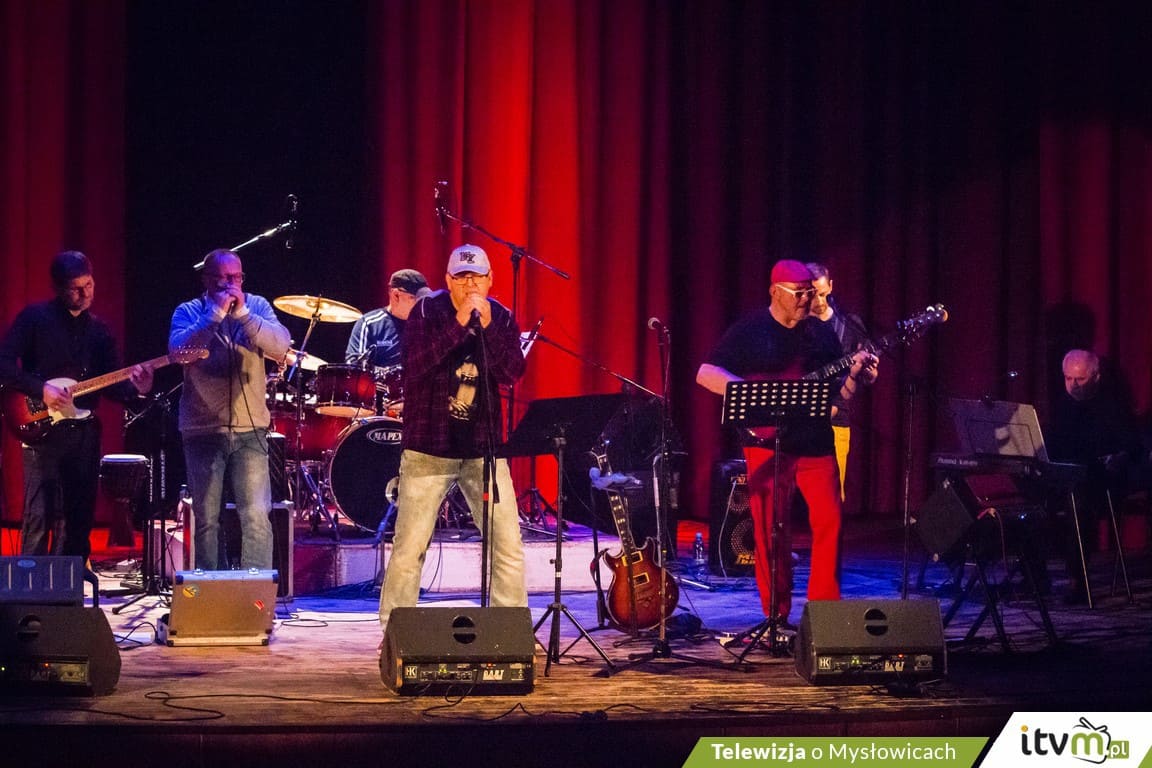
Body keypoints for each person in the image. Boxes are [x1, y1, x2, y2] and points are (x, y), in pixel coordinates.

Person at [696, 259, 873, 626]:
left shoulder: (821, 333)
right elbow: (706, 373)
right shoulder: (750, 330)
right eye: (800, 294)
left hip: (815, 441)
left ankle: (825, 614)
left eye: (811, 293)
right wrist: (751, 394)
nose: (808, 300)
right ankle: (775, 616)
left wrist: (856, 376)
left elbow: (839, 396)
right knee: (769, 530)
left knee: (830, 523)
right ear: (775, 292)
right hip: (766, 443)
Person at [378, 244, 527, 639]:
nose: (470, 285)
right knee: (410, 547)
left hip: (483, 450)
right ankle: (394, 634)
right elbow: (416, 366)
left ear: (490, 280)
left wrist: (489, 328)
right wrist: (460, 323)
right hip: (429, 448)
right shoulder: (426, 312)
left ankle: (509, 633)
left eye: (477, 277)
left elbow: (512, 372)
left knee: (507, 544)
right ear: (448, 281)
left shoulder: (502, 317)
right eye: (462, 278)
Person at [0, 251, 153, 558]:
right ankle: (31, 584)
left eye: (89, 285)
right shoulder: (34, 319)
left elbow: (113, 385)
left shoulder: (99, 330)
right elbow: (4, 363)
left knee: (78, 517)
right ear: (58, 288)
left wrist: (138, 388)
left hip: (83, 433)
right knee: (39, 515)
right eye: (76, 288)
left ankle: (71, 582)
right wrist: (41, 389)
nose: (85, 294)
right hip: (40, 430)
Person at [168, 249, 290, 570]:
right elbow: (178, 352)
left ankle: (255, 592)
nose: (229, 285)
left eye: (235, 278)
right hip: (202, 430)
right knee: (207, 520)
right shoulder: (189, 311)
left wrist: (245, 315)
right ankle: (211, 591)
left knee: (256, 516)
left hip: (251, 431)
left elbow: (281, 345)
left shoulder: (257, 306)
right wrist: (214, 316)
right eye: (221, 278)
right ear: (206, 280)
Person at [1046, 348, 1142, 602]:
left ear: (1096, 377)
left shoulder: (1113, 407)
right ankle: (1034, 575)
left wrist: (1118, 457)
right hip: (1066, 476)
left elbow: (1133, 448)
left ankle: (1078, 581)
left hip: (1102, 482)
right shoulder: (1062, 406)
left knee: (1078, 501)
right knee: (1032, 493)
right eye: (1068, 378)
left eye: (1080, 379)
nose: (1073, 385)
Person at [805, 262, 879, 502]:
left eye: (823, 293)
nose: (820, 301)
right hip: (799, 420)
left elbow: (870, 376)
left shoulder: (849, 324)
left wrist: (868, 372)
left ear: (831, 286)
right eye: (814, 294)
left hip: (837, 419)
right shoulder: (796, 323)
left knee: (831, 497)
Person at [344, 268, 430, 369]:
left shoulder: (428, 323)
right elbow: (354, 367)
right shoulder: (369, 324)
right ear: (396, 295)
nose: (421, 303)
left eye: (423, 298)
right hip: (379, 379)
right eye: (414, 298)